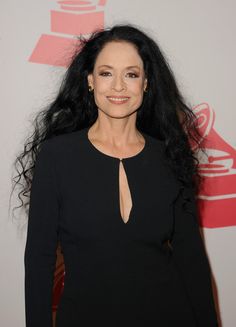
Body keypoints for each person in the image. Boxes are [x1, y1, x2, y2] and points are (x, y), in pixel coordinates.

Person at [12, 24, 219, 326]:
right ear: (90, 81)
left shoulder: (171, 157)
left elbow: (192, 262)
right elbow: (40, 261)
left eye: (131, 74)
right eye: (107, 73)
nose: (118, 86)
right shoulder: (57, 156)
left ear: (146, 83)